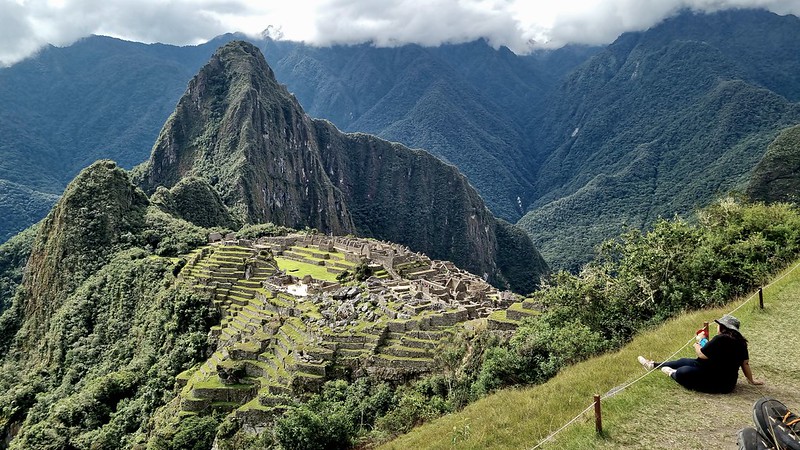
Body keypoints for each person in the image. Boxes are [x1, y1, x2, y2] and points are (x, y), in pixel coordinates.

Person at [637, 314, 764, 394]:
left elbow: (702, 354)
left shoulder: (720, 339)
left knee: (683, 371)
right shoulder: (741, 343)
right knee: (683, 361)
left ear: (722, 327)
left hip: (717, 382)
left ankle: (671, 373)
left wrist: (697, 345)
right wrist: (751, 381)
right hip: (727, 383)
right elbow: (745, 363)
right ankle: (653, 365)